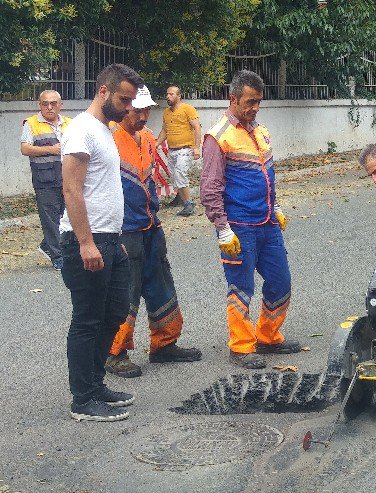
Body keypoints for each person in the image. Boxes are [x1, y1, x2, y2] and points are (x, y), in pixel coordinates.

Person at [200, 70, 302, 370]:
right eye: (250, 102)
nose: (255, 108)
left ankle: (269, 337)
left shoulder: (261, 132)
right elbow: (210, 189)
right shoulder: (218, 137)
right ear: (233, 99)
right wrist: (222, 229)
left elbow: (269, 176)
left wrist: (277, 206)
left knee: (281, 282)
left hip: (267, 224)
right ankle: (242, 347)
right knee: (241, 286)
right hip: (239, 227)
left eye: (259, 102)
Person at [59, 63, 143, 421]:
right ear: (104, 92)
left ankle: (96, 383)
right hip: (87, 243)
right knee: (87, 320)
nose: (129, 108)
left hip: (111, 240)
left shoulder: (104, 130)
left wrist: (113, 238)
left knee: (114, 313)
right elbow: (71, 188)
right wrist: (86, 242)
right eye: (125, 100)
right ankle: (83, 399)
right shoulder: (81, 130)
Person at [104, 85, 203, 379]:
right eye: (139, 110)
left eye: (148, 110)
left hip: (150, 225)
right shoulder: (108, 138)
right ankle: (115, 352)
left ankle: (164, 345)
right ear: (124, 108)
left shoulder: (147, 139)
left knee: (161, 284)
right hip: (125, 230)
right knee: (125, 292)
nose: (145, 116)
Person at [21, 90, 71, 270]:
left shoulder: (70, 123)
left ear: (61, 105)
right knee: (50, 218)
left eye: (53, 103)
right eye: (45, 103)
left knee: (68, 216)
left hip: (67, 177)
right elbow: (25, 149)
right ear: (39, 105)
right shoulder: (31, 123)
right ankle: (57, 256)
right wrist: (51, 149)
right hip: (45, 179)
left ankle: (47, 245)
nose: (49, 107)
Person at [157, 85, 201, 217]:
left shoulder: (188, 109)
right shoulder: (166, 112)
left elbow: (197, 128)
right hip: (172, 150)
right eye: (167, 94)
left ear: (178, 96)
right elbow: (165, 131)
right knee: (174, 176)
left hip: (185, 148)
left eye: (171, 94)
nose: (168, 97)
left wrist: (196, 148)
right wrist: (156, 144)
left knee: (180, 173)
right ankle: (181, 199)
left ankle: (189, 204)